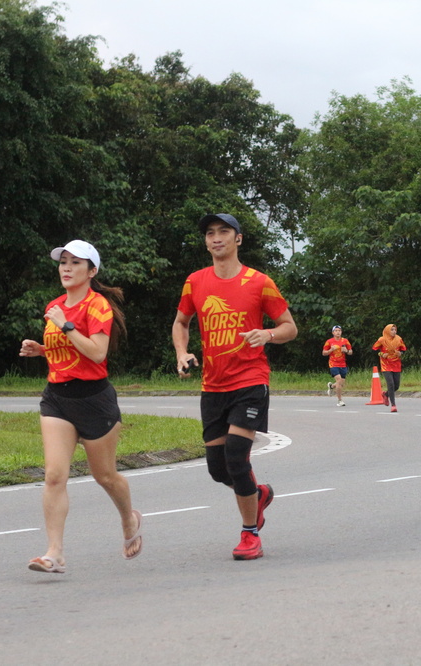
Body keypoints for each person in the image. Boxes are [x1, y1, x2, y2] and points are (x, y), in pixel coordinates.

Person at [172, 213, 298, 561]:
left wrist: (267, 334)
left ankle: (249, 533)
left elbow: (289, 327)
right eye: (210, 233)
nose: (216, 238)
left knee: (236, 457)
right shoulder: (195, 282)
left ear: (238, 238)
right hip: (213, 385)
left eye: (223, 232)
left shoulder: (259, 282)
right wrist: (182, 352)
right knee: (218, 469)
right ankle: (257, 494)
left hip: (250, 381)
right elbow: (181, 322)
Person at [19, 240, 142, 573]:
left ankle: (128, 519)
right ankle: (55, 553)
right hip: (57, 398)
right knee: (54, 475)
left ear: (92, 271)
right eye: (63, 262)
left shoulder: (97, 305)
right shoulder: (55, 305)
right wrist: (42, 349)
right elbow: (69, 349)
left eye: (75, 262)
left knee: (105, 476)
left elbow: (97, 353)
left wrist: (65, 325)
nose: (67, 268)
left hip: (94, 400)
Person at [372, 323, 405, 413]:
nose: (394, 332)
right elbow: (374, 349)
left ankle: (386, 394)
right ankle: (393, 405)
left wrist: (400, 353)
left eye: (395, 330)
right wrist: (381, 354)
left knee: (396, 385)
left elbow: (403, 349)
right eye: (392, 330)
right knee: (390, 384)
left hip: (396, 364)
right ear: (387, 331)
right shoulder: (382, 340)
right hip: (386, 364)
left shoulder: (399, 339)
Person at [323, 325, 352, 406]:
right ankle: (340, 400)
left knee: (341, 383)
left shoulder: (345, 341)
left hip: (343, 363)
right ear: (333, 332)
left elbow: (350, 352)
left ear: (341, 332)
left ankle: (332, 386)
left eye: (339, 330)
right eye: (336, 331)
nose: (338, 332)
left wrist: (346, 351)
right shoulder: (329, 341)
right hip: (333, 363)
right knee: (339, 380)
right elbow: (324, 353)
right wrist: (331, 350)